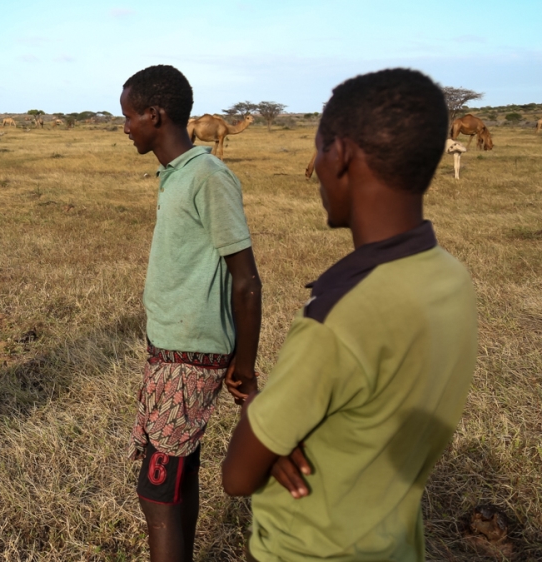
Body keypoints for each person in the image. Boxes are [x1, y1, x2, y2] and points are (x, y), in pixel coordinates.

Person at [221, 68, 478, 561]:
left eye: (319, 149)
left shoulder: (338, 316)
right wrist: (278, 437)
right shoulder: (451, 279)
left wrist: (262, 421)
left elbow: (237, 476)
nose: (316, 165)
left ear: (339, 156)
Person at [120, 65, 262, 562]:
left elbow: (246, 279)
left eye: (130, 117)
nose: (125, 128)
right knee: (180, 477)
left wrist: (245, 365)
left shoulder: (208, 176)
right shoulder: (177, 174)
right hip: (170, 349)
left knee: (156, 491)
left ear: (155, 115)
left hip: (189, 357)